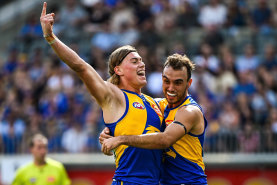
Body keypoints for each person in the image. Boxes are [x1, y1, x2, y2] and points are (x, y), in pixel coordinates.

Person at [40, 2, 164, 185]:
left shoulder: (154, 102)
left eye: (142, 61)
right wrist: (50, 37)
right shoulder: (114, 96)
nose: (142, 65)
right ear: (119, 70)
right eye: (135, 61)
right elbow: (81, 66)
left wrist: (114, 133)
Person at [101, 54, 208, 184]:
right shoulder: (159, 105)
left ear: (189, 83)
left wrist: (120, 139)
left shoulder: (189, 111)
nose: (171, 88)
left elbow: (165, 139)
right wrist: (110, 131)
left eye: (178, 83)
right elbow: (131, 115)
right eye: (166, 81)